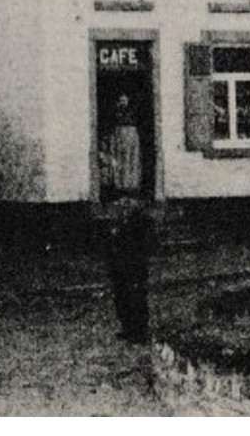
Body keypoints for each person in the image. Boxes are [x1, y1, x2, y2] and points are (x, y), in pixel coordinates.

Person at [105, 202, 152, 343]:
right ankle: (128, 329)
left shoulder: (142, 223)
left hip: (134, 268)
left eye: (127, 206)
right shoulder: (121, 222)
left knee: (136, 300)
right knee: (122, 299)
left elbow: (147, 245)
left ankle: (140, 333)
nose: (123, 209)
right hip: (121, 268)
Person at [100, 94, 143, 199]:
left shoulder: (132, 113)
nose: (123, 102)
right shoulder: (116, 113)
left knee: (130, 160)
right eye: (121, 100)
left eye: (125, 100)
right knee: (119, 161)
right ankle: (120, 186)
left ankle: (130, 186)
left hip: (130, 137)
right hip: (119, 137)